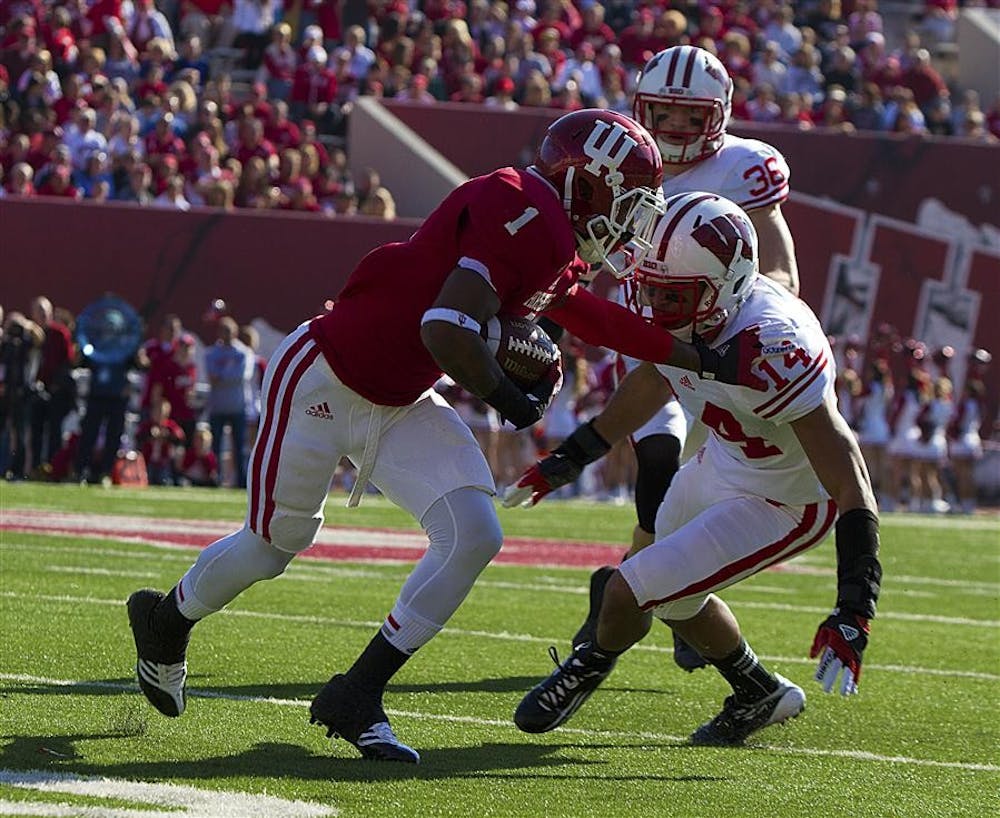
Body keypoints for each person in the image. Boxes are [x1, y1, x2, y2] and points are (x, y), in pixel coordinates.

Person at [125, 109, 771, 766]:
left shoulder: (553, 237)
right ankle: (164, 621)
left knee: (474, 532)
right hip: (325, 377)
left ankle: (357, 695)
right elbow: (445, 327)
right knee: (273, 545)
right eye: (629, 201)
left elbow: (590, 317)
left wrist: (699, 358)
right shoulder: (521, 208)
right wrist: (510, 399)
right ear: (588, 184)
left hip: (399, 398)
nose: (633, 219)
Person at [506, 191, 882, 746]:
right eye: (650, 287)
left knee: (628, 588)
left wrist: (855, 605)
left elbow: (851, 479)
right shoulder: (687, 309)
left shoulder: (774, 344)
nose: (655, 304)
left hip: (786, 500)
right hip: (720, 463)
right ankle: (759, 691)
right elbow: (654, 378)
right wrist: (577, 452)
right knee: (669, 592)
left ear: (726, 285)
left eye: (671, 294)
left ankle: (592, 660)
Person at [569, 44, 803, 673]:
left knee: (686, 491)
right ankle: (652, 594)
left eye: (687, 118)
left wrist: (766, 311)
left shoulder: (744, 167)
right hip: (646, 334)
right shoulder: (622, 153)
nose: (671, 132)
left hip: (716, 345)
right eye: (661, 115)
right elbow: (586, 243)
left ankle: (641, 589)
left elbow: (779, 264)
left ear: (719, 115)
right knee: (659, 457)